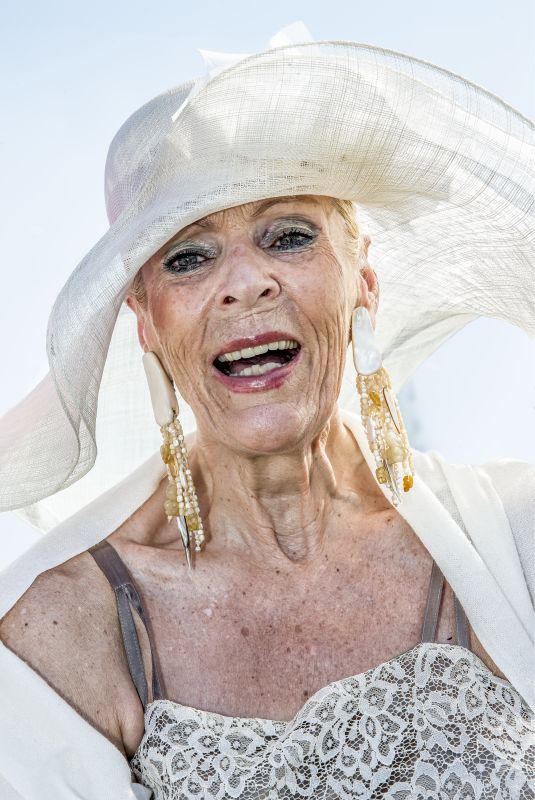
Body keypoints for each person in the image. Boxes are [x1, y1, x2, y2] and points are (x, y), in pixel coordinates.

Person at [0, 24, 534, 800]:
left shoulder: (519, 538)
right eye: (188, 257)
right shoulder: (57, 635)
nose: (245, 283)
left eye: (288, 236)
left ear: (363, 281)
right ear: (145, 321)